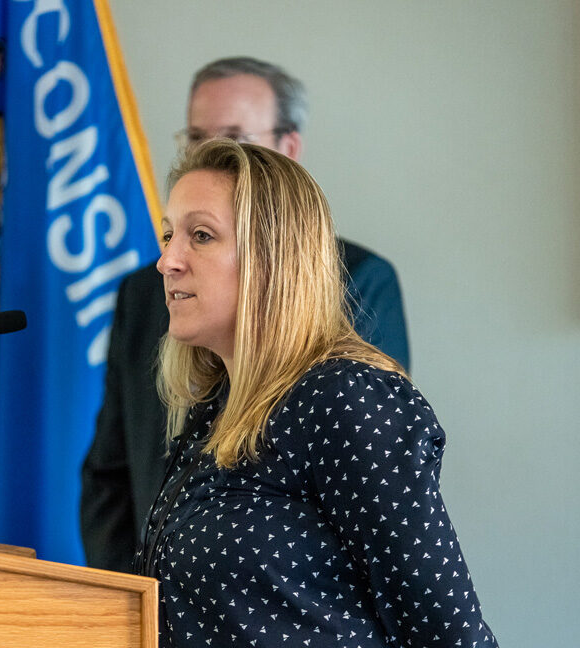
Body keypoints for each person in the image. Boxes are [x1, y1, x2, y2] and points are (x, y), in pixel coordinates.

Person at [142, 138, 499, 648]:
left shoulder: (344, 398)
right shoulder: (211, 412)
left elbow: (451, 643)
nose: (168, 260)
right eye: (170, 235)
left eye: (202, 236)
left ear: (274, 258)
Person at [81, 57, 410, 572]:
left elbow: (405, 576)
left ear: (289, 151)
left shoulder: (358, 295)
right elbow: (112, 472)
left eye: (235, 138)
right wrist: (129, 612)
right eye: (196, 138)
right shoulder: (147, 295)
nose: (212, 155)